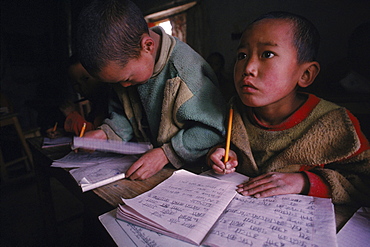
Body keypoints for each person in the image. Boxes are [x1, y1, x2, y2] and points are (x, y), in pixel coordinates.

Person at [208, 11, 370, 205]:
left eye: (267, 54)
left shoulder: (334, 124)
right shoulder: (234, 110)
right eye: (242, 55)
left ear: (306, 74)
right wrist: (221, 154)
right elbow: (220, 144)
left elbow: (363, 183)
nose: (248, 67)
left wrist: (305, 182)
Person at [76, 0, 226, 180]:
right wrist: (105, 133)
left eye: (126, 79)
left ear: (147, 46)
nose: (123, 87)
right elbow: (124, 112)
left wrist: (165, 154)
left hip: (196, 171)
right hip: (153, 167)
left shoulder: (186, 71)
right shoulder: (125, 67)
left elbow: (212, 129)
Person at [45, 55, 111, 138]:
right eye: (75, 84)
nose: (82, 87)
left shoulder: (109, 101)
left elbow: (95, 135)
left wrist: (71, 115)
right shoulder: (96, 102)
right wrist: (64, 133)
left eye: (86, 79)